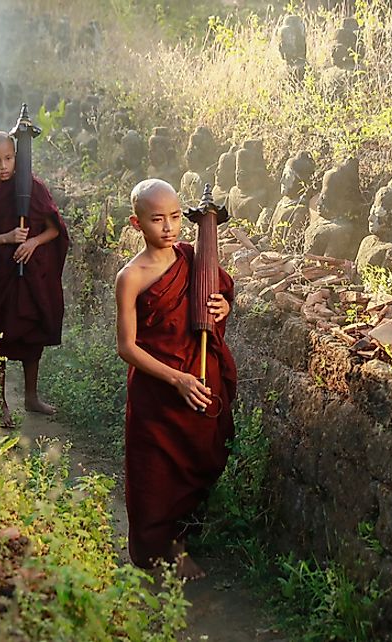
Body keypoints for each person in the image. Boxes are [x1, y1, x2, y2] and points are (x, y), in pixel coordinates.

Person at [114, 178, 237, 580]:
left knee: (199, 460)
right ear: (137, 224)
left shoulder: (192, 257)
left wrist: (221, 308)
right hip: (159, 388)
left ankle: (181, 540)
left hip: (201, 378)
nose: (168, 228)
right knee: (157, 473)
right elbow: (128, 347)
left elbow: (219, 296)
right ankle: (159, 549)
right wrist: (177, 379)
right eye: (156, 220)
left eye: (174, 218)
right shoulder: (131, 276)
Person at [0, 131, 69, 427]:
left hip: (32, 269)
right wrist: (7, 238)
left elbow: (53, 230)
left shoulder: (33, 188)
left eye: (9, 158)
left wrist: (32, 242)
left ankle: (31, 396)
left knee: (31, 331)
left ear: (17, 156)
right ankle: (0, 403)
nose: (4, 166)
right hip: (0, 271)